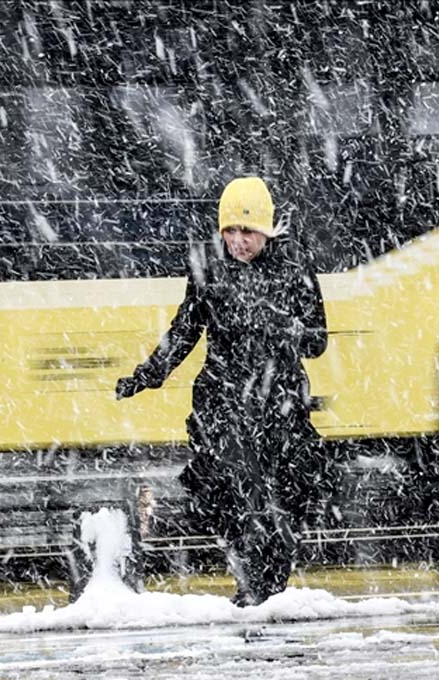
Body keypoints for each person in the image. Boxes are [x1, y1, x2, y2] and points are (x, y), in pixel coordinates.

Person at [115, 176, 328, 606]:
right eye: (229, 230)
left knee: (284, 500)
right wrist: (148, 374)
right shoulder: (208, 266)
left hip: (279, 404)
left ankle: (269, 591)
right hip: (224, 402)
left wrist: (287, 328)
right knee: (241, 495)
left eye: (246, 231)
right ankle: (252, 587)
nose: (237, 241)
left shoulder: (294, 265)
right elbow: (186, 328)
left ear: (267, 230)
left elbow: (318, 340)